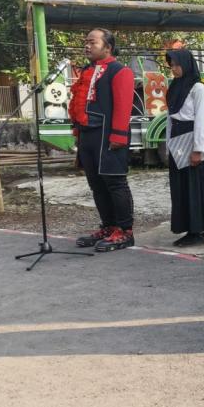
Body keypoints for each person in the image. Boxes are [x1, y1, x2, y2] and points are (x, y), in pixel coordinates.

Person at [71, 29, 136, 252]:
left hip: (109, 135)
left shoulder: (120, 71)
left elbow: (123, 107)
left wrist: (118, 135)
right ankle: (109, 226)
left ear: (107, 47)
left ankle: (125, 231)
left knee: (115, 182)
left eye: (92, 42)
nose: (87, 46)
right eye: (85, 42)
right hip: (88, 134)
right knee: (96, 184)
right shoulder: (87, 70)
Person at [164, 49, 204, 247]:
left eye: (176, 64)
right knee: (182, 187)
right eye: (171, 65)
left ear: (186, 64)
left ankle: (200, 230)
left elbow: (201, 120)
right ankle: (189, 228)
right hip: (178, 141)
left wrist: (198, 149)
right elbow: (170, 117)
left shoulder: (197, 88)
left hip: (193, 140)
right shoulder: (175, 87)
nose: (173, 69)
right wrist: (168, 144)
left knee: (196, 186)